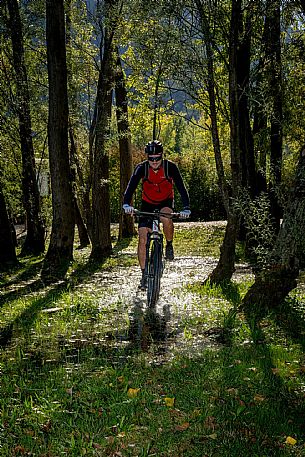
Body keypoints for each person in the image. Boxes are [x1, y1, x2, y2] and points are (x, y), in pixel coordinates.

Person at [123, 140, 191, 289]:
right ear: (147, 157)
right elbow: (131, 187)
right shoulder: (141, 168)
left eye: (157, 158)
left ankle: (169, 244)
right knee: (142, 238)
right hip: (147, 202)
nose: (154, 161)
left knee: (166, 217)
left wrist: (186, 207)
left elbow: (181, 187)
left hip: (165, 201)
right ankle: (144, 274)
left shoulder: (170, 167)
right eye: (151, 158)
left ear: (162, 156)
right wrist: (126, 204)